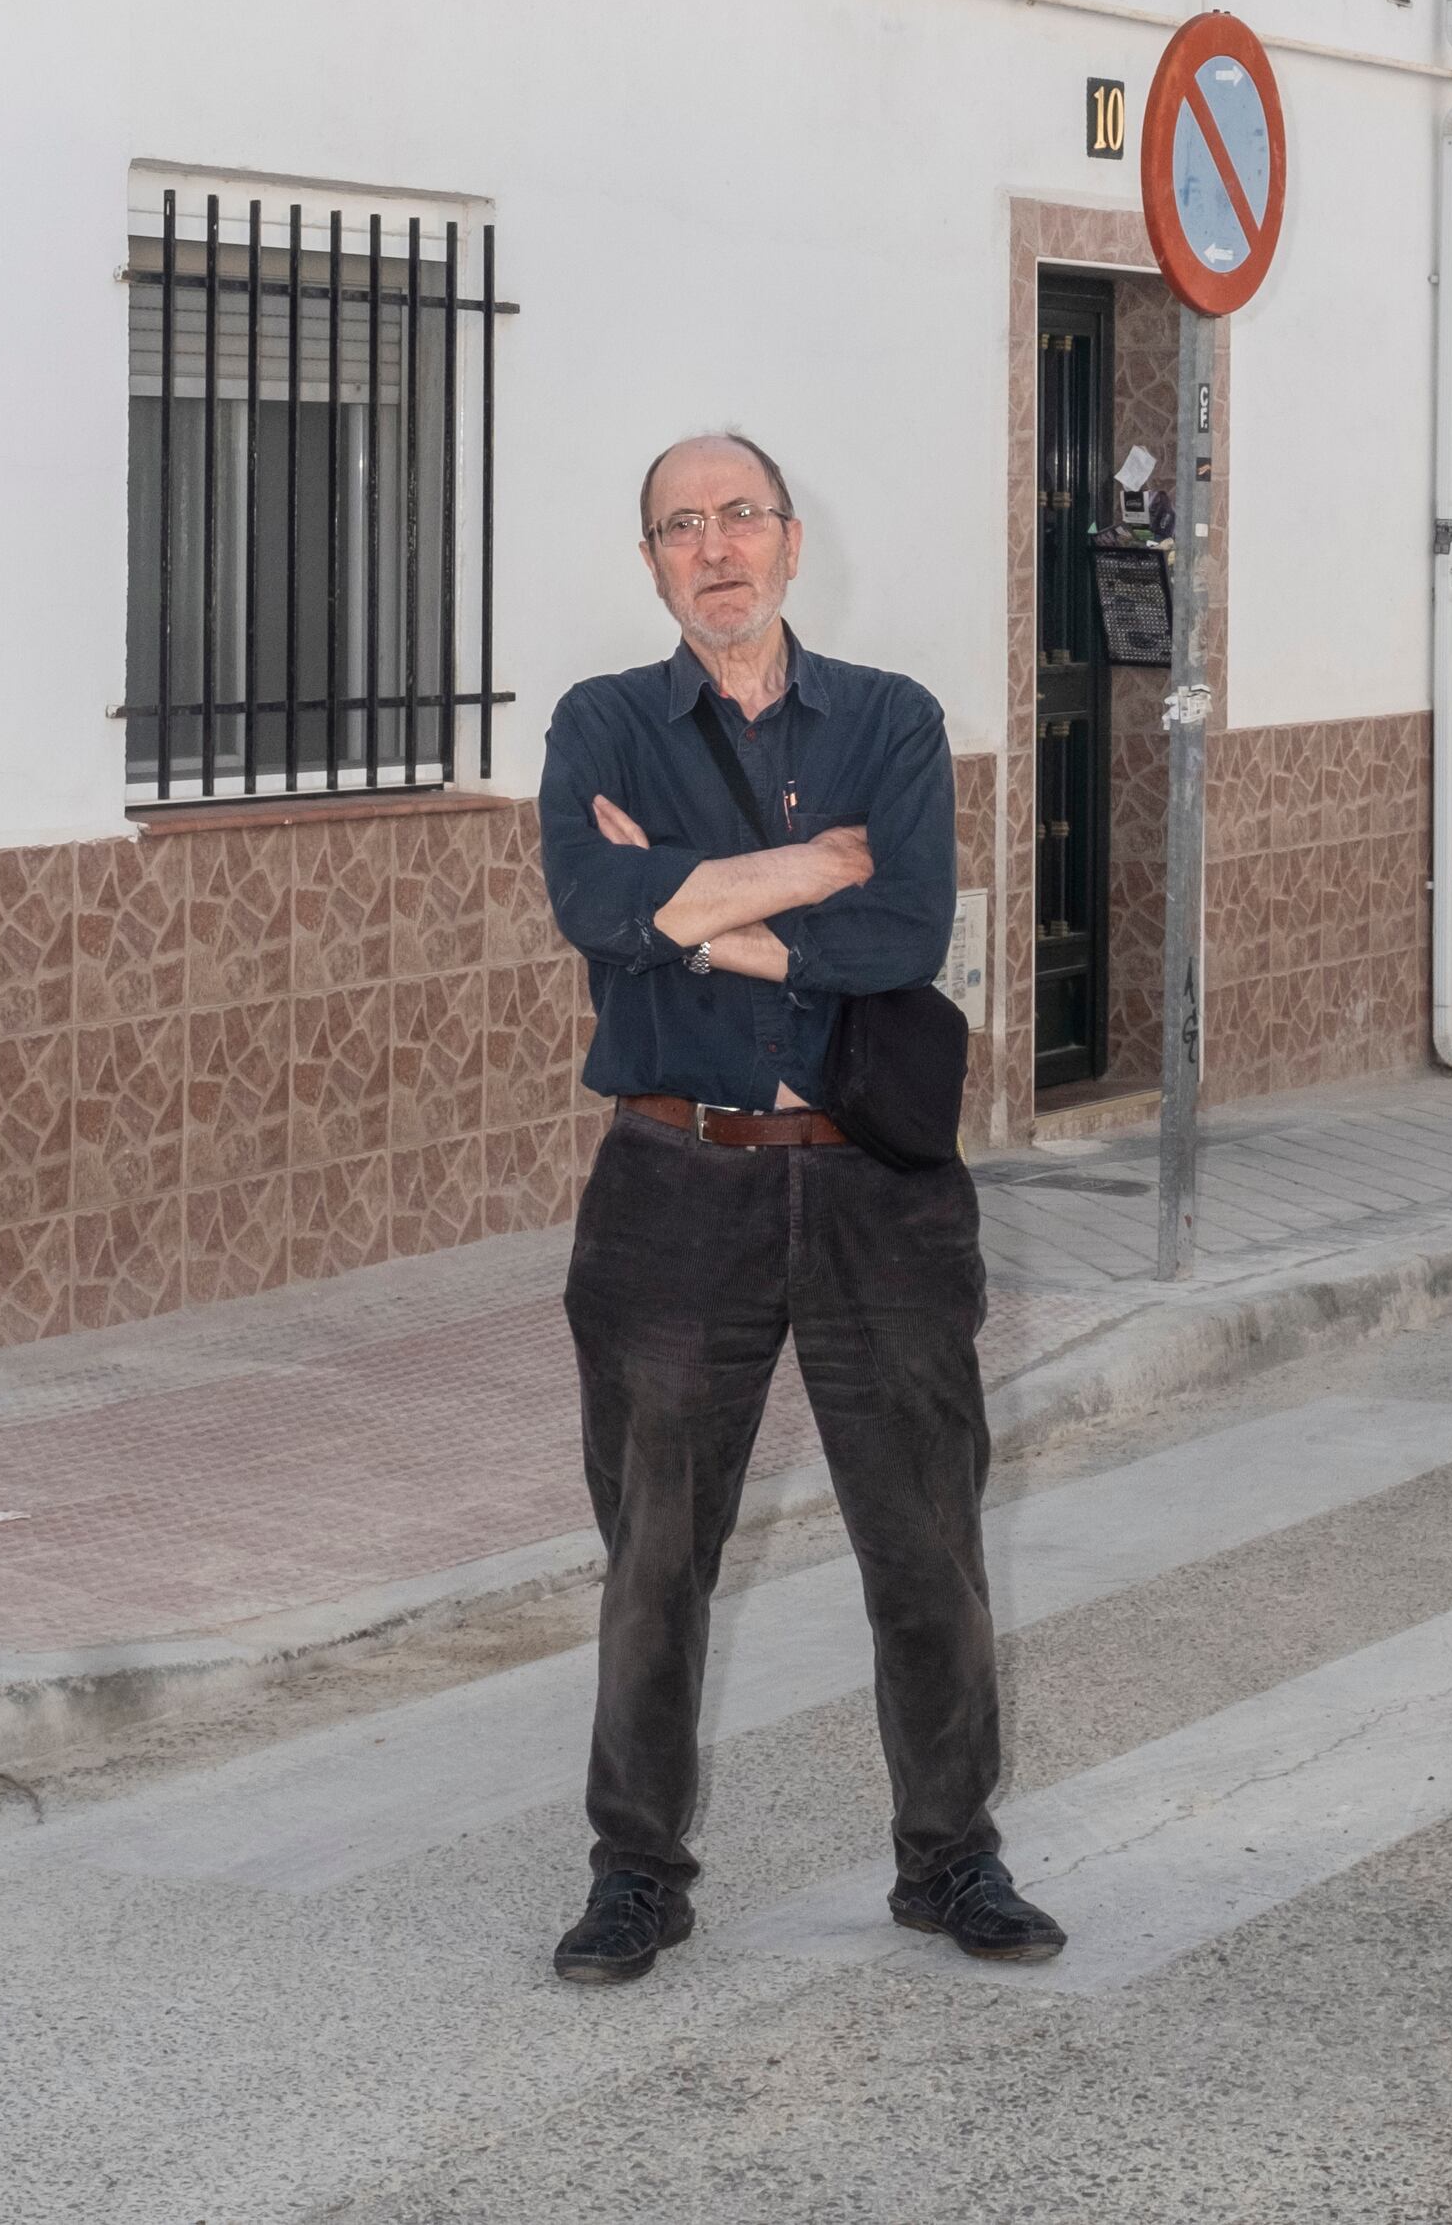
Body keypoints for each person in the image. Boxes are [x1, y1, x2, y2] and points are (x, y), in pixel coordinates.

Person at [529, 431, 1061, 1984]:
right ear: (651, 563)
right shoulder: (602, 721)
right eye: (679, 527)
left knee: (927, 1538)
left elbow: (898, 931)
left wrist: (700, 913)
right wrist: (802, 868)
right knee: (653, 1555)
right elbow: (593, 904)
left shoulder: (892, 718)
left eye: (738, 516)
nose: (715, 549)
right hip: (669, 1182)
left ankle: (951, 1857)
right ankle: (637, 1871)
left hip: (874, 1192)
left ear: (790, 539)